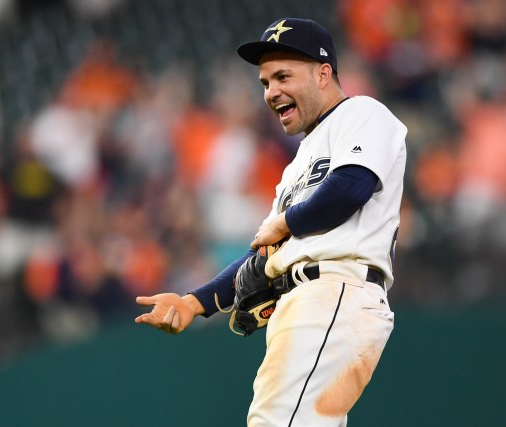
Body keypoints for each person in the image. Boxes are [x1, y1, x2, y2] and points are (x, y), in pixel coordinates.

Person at [135, 17, 407, 427]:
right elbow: (261, 253)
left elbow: (353, 186)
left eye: (283, 76)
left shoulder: (363, 112)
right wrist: (195, 302)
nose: (271, 91)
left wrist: (285, 224)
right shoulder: (298, 164)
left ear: (323, 73)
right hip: (308, 303)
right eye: (265, 82)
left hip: (336, 291)